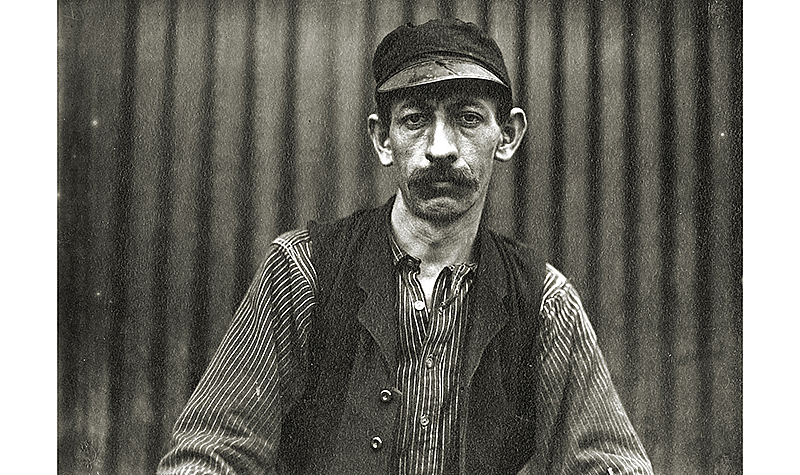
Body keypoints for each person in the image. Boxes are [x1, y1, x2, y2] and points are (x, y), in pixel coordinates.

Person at [157, 18, 653, 475]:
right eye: (415, 119)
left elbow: (614, 464)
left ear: (507, 136)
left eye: (468, 119)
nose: (441, 148)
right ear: (382, 139)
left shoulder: (543, 303)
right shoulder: (303, 273)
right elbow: (210, 453)